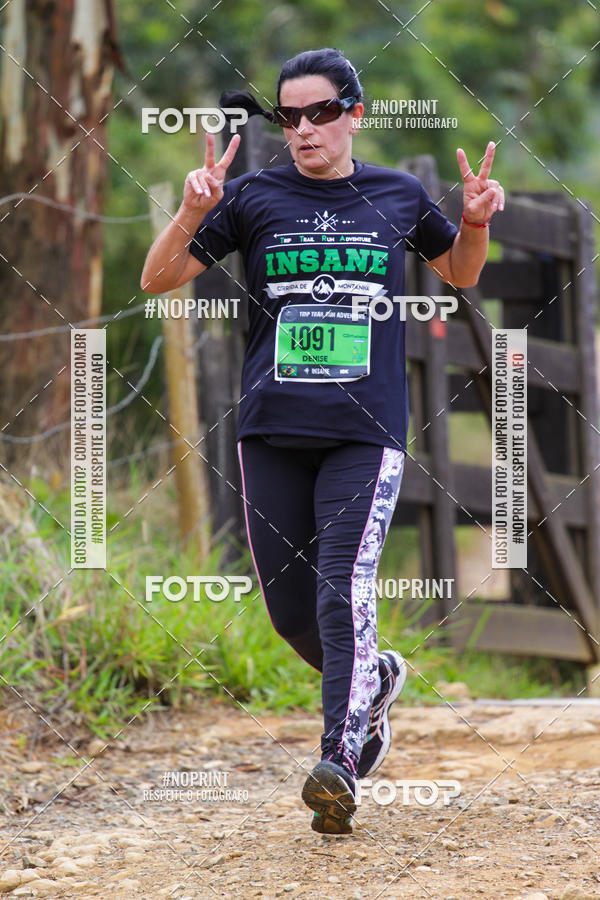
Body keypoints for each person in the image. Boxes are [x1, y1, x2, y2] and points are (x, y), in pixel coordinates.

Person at [141, 47, 504, 835]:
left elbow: (461, 272)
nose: (303, 129)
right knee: (290, 611)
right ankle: (374, 682)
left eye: (320, 113)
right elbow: (157, 280)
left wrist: (472, 222)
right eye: (289, 116)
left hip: (362, 432)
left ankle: (339, 758)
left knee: (344, 585)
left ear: (354, 116)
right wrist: (192, 210)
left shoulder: (399, 196)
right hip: (271, 427)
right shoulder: (253, 198)